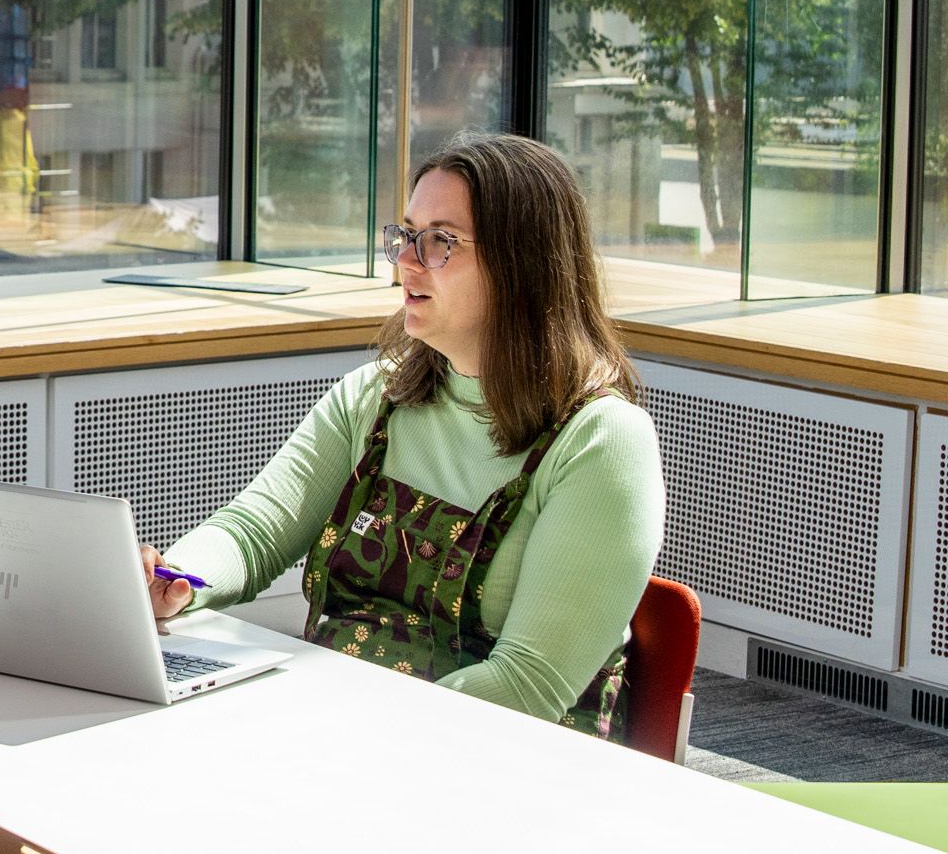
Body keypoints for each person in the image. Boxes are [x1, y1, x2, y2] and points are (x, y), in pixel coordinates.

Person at [152, 131, 665, 731]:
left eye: (440, 242)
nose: (404, 261)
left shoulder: (601, 441)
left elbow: (528, 682)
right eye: (406, 236)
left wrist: (338, 730)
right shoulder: (375, 397)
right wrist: (172, 580)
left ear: (522, 264)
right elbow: (252, 534)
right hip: (339, 735)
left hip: (501, 774)